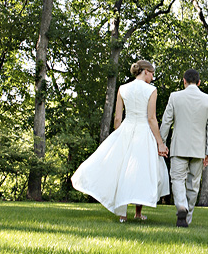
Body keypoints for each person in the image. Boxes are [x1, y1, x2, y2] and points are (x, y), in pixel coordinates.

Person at [71, 59, 169, 222]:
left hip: (126, 129)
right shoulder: (151, 90)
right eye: (152, 73)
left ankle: (122, 214)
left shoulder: (123, 88)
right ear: (145, 71)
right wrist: (159, 142)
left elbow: (117, 118)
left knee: (121, 170)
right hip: (143, 131)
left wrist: (119, 134)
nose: (152, 77)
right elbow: (151, 118)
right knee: (142, 171)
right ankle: (138, 213)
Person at [160, 68, 208, 227]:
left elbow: (166, 122)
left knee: (177, 179)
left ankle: (181, 206)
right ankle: (187, 218)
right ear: (199, 82)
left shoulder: (175, 97)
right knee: (193, 184)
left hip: (179, 147)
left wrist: (162, 143)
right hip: (198, 149)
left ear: (184, 81)